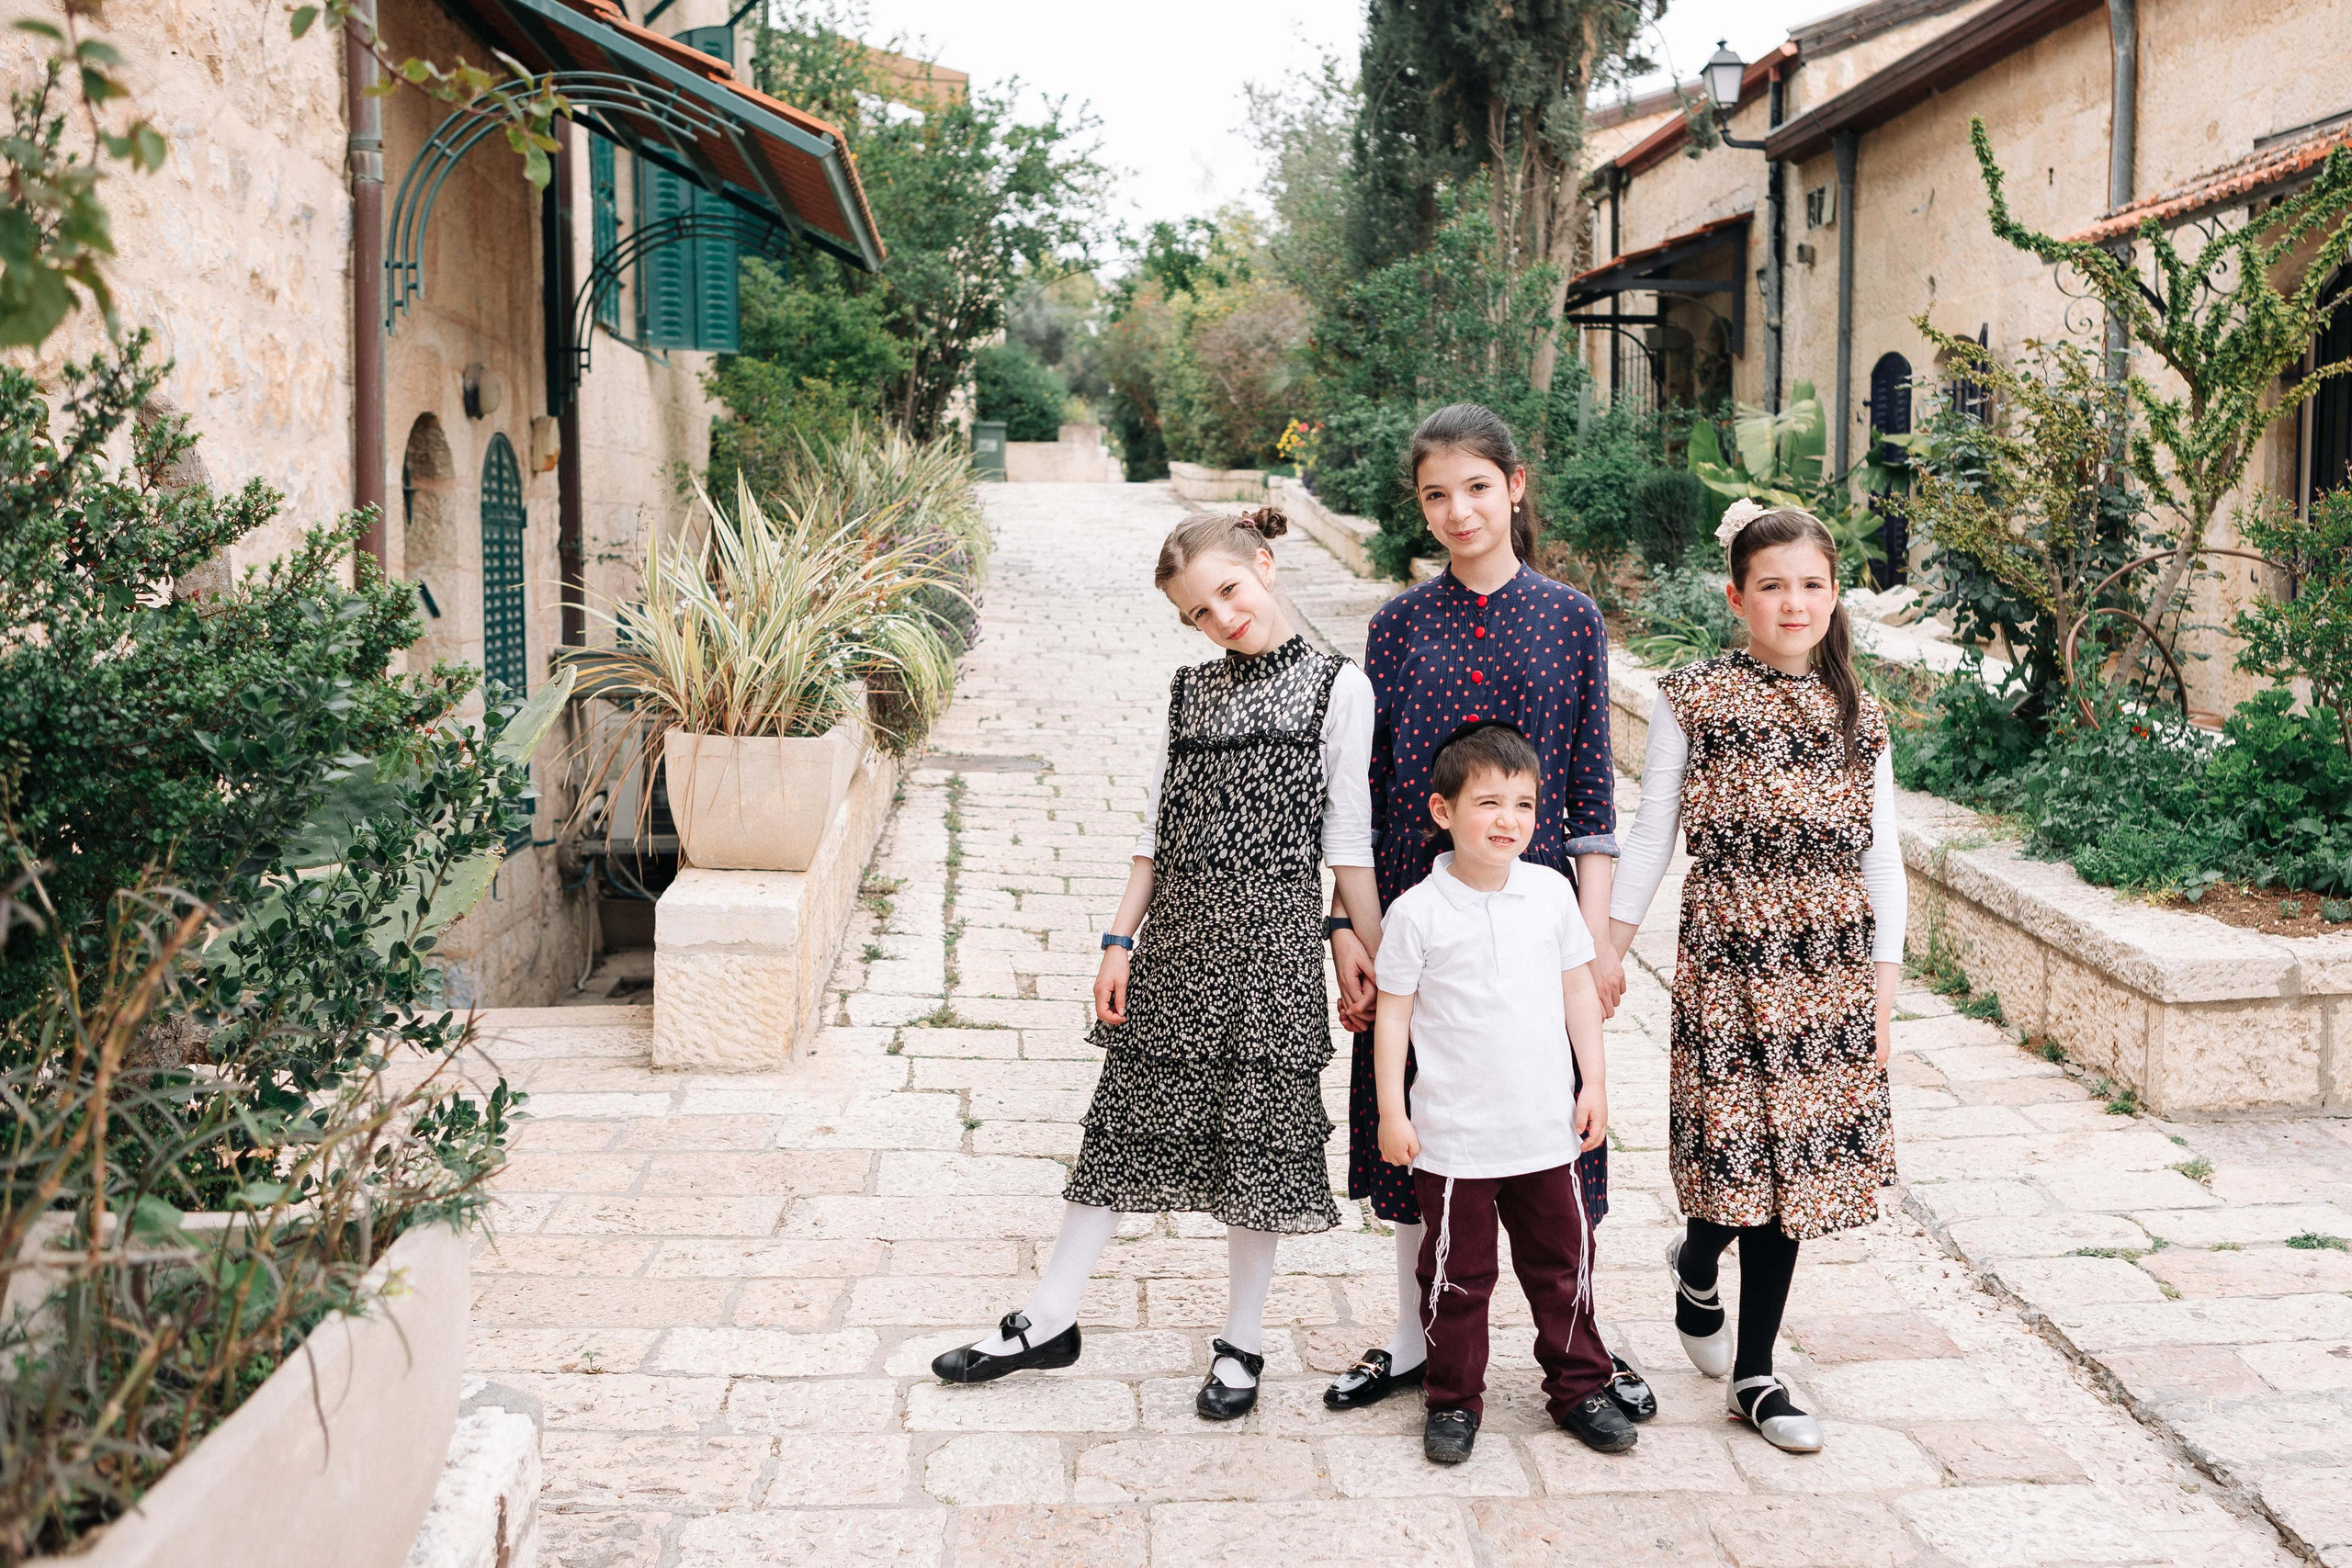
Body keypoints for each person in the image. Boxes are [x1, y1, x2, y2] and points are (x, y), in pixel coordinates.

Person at [932, 506, 1385, 1422]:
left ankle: (1243, 1346)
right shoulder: (1190, 694)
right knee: (1120, 1127)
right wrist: (1117, 939)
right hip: (1175, 941)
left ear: (1262, 564)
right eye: (1197, 613)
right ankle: (1050, 1317)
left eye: (1228, 592)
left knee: (1257, 1144)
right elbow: (1154, 828)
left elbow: (1347, 839)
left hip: (1271, 950)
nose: (1221, 618)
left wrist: (1365, 952)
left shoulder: (1341, 689)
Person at [1323, 403, 1652, 1425]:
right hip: (1418, 927)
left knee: (1556, 1142)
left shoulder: (1569, 619)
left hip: (1538, 926)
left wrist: (1595, 946)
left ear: (1514, 485)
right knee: (1422, 1137)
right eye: (1434, 495)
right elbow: (1364, 797)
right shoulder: (1397, 626)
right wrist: (1350, 934)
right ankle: (1419, 1344)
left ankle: (1583, 1345)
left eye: (1475, 487)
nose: (1457, 511)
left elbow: (1592, 798)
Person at [1605, 502, 1905, 1455]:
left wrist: (1884, 990)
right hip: (1728, 958)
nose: (1793, 602)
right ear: (1737, 597)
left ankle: (1756, 1375)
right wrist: (1608, 945)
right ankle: (1696, 1267)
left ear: (1833, 596)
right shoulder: (1692, 696)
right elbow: (1651, 830)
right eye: (1772, 586)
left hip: (1827, 969)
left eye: (1811, 585)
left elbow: (1883, 858)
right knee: (1729, 1156)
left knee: (1793, 1178)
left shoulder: (1861, 714)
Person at [1373, 722, 1632, 1463]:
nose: (1508, 820)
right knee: (1457, 1274)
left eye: (1524, 804)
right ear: (1441, 810)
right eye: (1488, 802)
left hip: (1544, 1129)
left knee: (1563, 1262)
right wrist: (1394, 1108)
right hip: (1454, 1139)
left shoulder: (1550, 893)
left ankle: (1581, 1386)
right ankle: (1453, 1399)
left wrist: (1596, 1083)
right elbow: (1393, 1016)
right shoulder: (1416, 912)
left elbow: (1578, 990)